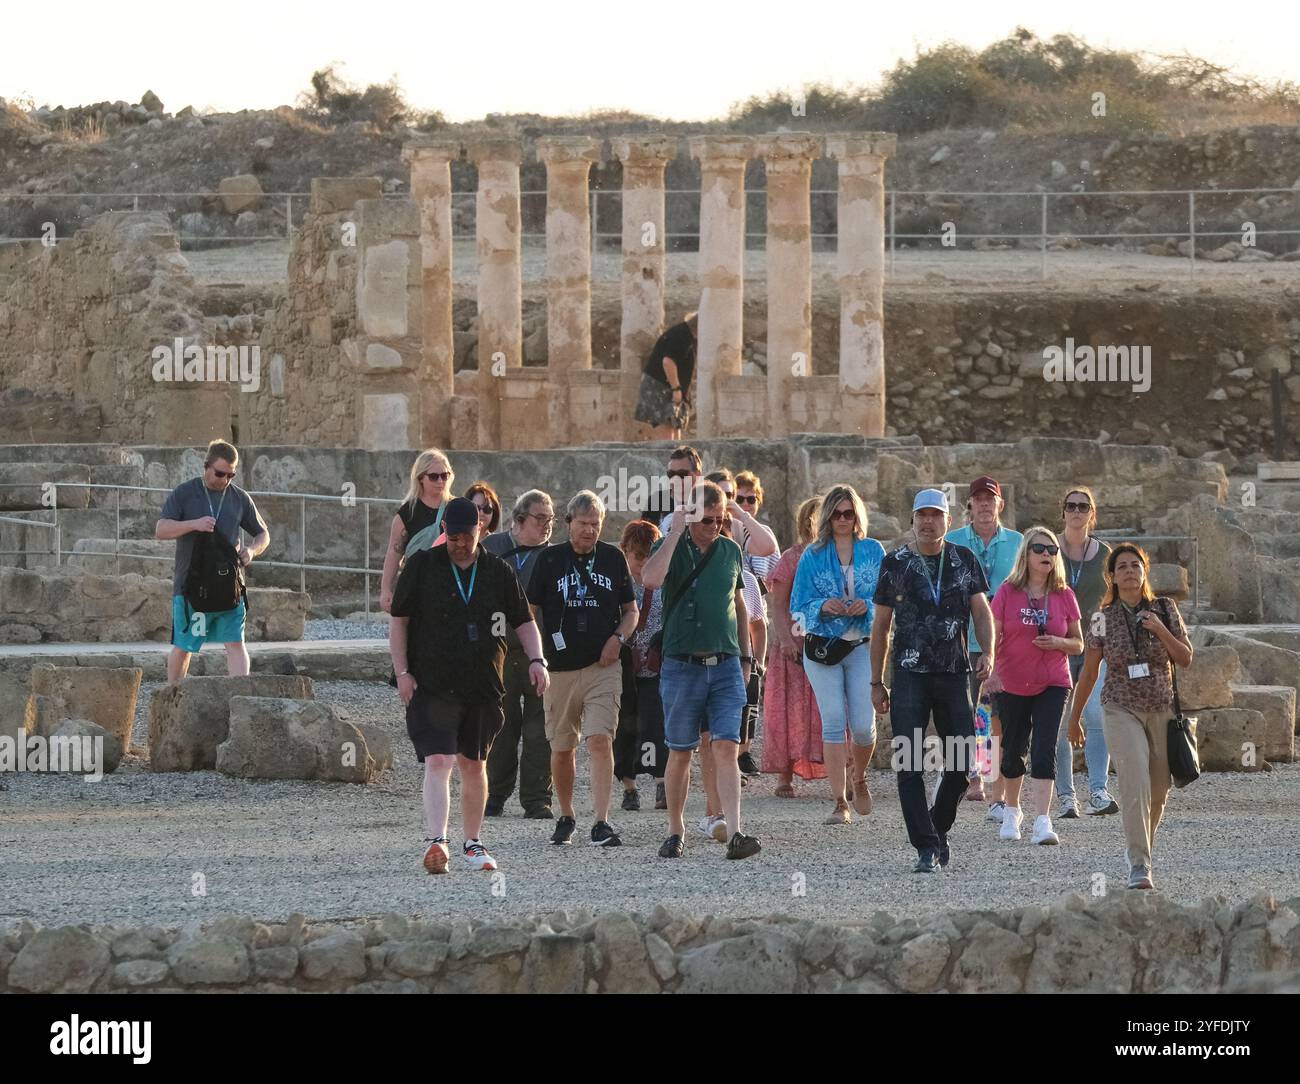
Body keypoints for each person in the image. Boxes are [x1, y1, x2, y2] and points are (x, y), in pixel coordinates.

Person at [389, 497, 550, 874]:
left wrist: (538, 660)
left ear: (481, 530)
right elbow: (399, 621)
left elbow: (524, 621)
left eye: (468, 535)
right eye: (454, 535)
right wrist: (402, 672)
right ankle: (437, 840)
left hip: (482, 682)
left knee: (474, 764)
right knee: (439, 759)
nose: (461, 543)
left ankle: (473, 842)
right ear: (445, 531)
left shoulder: (497, 570)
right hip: (432, 682)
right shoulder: (422, 566)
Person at [871, 488, 994, 874]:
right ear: (912, 519)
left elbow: (982, 610)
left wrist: (987, 652)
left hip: (955, 673)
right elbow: (880, 626)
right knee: (909, 764)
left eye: (935, 515)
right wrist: (876, 681)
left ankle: (936, 828)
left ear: (948, 521)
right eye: (921, 515)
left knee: (961, 766)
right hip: (909, 675)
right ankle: (925, 847)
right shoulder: (896, 563)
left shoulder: (963, 560)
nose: (928, 522)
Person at [642, 481, 760, 860]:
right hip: (682, 665)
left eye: (720, 519)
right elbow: (650, 579)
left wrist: (747, 656)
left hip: (725, 663)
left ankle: (736, 829)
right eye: (706, 520)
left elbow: (739, 603)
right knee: (680, 751)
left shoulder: (728, 551)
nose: (714, 526)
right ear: (691, 515)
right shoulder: (671, 547)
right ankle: (675, 830)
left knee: (726, 745)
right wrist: (675, 531)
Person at [1066, 543, 1192, 891]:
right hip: (1120, 707)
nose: (1129, 571)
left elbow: (1185, 658)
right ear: (1112, 576)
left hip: (1161, 707)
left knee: (1158, 790)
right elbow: (1089, 674)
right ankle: (1140, 864)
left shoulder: (1165, 609)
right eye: (1121, 566)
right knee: (1133, 780)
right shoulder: (1101, 619)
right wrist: (1074, 717)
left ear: (1144, 571)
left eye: (1135, 565)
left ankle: (1140, 848)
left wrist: (1160, 631)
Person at [528, 491, 639, 848]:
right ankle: (566, 814)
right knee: (562, 746)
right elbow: (530, 611)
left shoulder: (612, 558)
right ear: (568, 523)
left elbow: (631, 610)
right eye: (583, 524)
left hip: (602, 666)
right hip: (560, 668)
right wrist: (539, 650)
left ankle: (602, 821)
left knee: (599, 739)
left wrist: (618, 639)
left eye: (596, 524)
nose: (590, 531)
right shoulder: (548, 560)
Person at [791, 485, 885, 825]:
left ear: (857, 515)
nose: (843, 520)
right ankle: (839, 801)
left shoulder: (874, 551)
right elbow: (798, 607)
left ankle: (859, 776)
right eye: (836, 513)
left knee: (862, 726)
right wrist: (823, 606)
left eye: (849, 513)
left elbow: (891, 600)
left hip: (861, 646)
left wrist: (869, 606)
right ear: (827, 516)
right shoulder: (813, 555)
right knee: (832, 720)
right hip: (823, 649)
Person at [984, 528, 1083, 846]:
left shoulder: (1065, 594)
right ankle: (1012, 811)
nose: (1046, 555)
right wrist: (993, 672)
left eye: (1052, 550)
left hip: (1053, 681)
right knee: (1012, 750)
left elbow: (1079, 644)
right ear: (1025, 553)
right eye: (1039, 548)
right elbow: (993, 636)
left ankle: (1043, 820)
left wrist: (1058, 642)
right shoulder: (1007, 592)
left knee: (1044, 748)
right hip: (1012, 680)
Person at [155, 440, 270, 684]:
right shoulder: (185, 493)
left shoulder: (239, 498)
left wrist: (251, 550)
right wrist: (193, 524)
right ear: (206, 466)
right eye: (220, 473)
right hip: (192, 587)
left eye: (231, 475)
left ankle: (241, 695)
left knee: (236, 643)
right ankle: (173, 694)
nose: (225, 480)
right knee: (184, 645)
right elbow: (161, 529)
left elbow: (263, 534)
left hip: (230, 587)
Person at [945, 475, 1022, 811]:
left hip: (1005, 641)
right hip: (963, 638)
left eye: (991, 499)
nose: (985, 504)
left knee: (996, 715)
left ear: (1000, 505)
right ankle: (971, 776)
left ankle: (992, 782)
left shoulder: (1018, 542)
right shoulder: (953, 540)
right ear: (970, 505)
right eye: (979, 499)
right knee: (965, 711)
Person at [483, 490, 556, 819]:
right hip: (498, 652)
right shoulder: (491, 548)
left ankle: (537, 798)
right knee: (500, 726)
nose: (547, 526)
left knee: (540, 729)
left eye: (551, 519)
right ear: (520, 519)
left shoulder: (554, 557)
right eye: (541, 519)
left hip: (539, 652)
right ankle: (494, 794)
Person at [1054, 486, 1118, 819]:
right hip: (1059, 643)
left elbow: (1114, 598)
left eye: (1083, 506)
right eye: (1071, 506)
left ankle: (1098, 790)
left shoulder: (1105, 554)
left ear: (1092, 513)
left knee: (1095, 716)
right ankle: (1065, 796)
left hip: (1096, 643)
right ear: (1063, 511)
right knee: (1061, 721)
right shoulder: (1049, 548)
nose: (1077, 511)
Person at [762, 496, 827, 795]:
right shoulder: (792, 557)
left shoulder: (837, 555)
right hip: (794, 643)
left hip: (829, 642)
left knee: (830, 707)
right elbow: (777, 602)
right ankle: (784, 775)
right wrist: (786, 639)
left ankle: (847, 770)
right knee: (789, 710)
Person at [618, 520, 670, 811]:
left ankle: (662, 783)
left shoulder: (666, 582)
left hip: (658, 664)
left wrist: (659, 644)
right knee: (625, 726)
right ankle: (630, 786)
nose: (644, 563)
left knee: (658, 724)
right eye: (638, 556)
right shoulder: (619, 582)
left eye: (650, 555)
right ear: (626, 552)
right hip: (626, 666)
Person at [381, 449, 454, 613]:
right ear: (421, 478)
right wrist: (386, 590)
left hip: (450, 586)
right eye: (434, 476)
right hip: (415, 585)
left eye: (445, 475)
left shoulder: (456, 508)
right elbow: (394, 553)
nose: (440, 481)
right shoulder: (408, 513)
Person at [635, 312, 698, 440]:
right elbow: (668, 361)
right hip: (660, 388)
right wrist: (676, 389)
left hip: (666, 388)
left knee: (675, 433)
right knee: (668, 438)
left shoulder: (686, 334)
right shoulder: (682, 335)